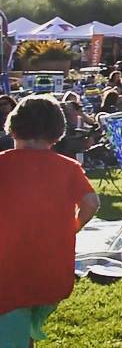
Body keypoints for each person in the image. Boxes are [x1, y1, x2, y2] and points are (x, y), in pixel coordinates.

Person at [0, 95, 99, 347]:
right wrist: (73, 227)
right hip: (52, 270)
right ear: (57, 133)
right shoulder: (68, 167)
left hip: (8, 271)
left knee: (12, 323)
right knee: (27, 319)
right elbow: (91, 202)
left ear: (13, 126)